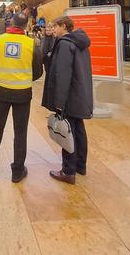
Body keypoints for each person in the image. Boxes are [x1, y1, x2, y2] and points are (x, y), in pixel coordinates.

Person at [0, 12, 43, 183]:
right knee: (20, 132)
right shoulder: (32, 43)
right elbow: (38, 71)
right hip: (23, 94)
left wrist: (0, 78)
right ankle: (17, 171)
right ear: (25, 26)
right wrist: (23, 79)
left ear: (11, 23)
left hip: (2, 91)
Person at [43, 16, 93, 185]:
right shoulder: (81, 43)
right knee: (78, 129)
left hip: (69, 96)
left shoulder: (65, 44)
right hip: (80, 92)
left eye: (55, 27)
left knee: (67, 132)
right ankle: (81, 165)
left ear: (63, 26)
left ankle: (68, 171)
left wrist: (59, 101)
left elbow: (62, 74)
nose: (53, 30)